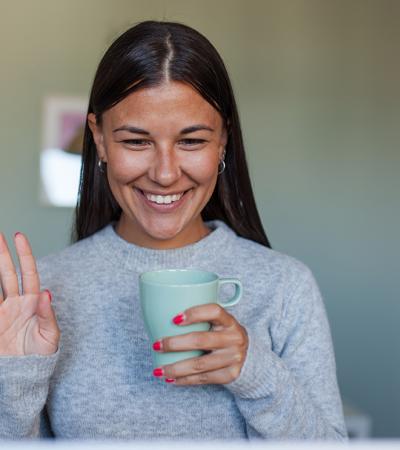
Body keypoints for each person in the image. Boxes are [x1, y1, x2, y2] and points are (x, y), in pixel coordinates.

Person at [0, 21, 347, 441]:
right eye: (136, 142)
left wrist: (254, 371)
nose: (165, 174)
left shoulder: (285, 287)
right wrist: (16, 381)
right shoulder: (46, 296)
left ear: (223, 142)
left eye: (192, 141)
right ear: (100, 139)